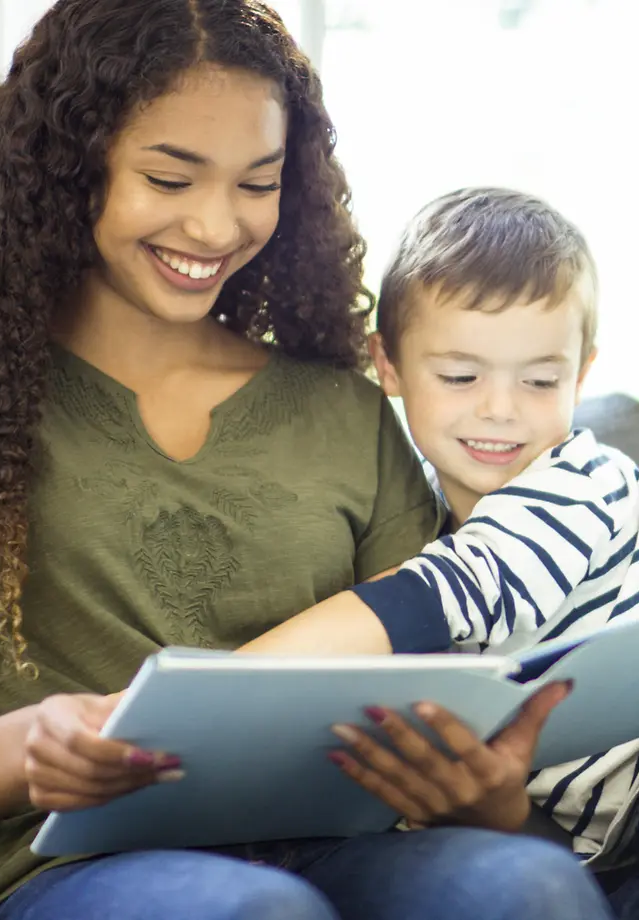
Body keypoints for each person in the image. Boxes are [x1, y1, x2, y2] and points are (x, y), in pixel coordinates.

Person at [0, 3, 613, 920]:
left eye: (255, 183)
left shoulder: (343, 409)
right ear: (68, 168)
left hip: (340, 844)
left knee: (527, 884)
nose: (216, 226)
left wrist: (488, 800)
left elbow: (426, 690)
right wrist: (30, 743)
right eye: (170, 177)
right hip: (74, 870)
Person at [262, 188, 639, 912]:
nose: (500, 408)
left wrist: (187, 696)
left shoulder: (585, 483)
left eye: (540, 380)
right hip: (566, 849)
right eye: (461, 377)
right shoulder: (408, 518)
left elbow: (432, 598)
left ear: (581, 374)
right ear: (390, 365)